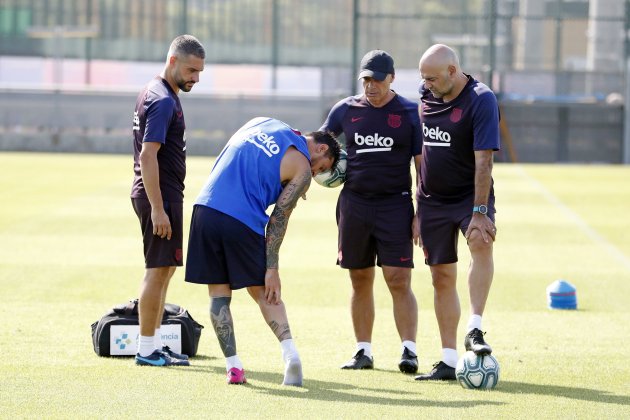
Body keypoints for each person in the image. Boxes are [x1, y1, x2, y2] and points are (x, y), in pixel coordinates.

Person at [185, 117, 341, 385]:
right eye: (321, 168)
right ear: (322, 149)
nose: (314, 173)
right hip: (242, 220)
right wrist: (272, 268)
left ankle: (233, 368)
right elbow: (278, 221)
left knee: (218, 293)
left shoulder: (261, 121)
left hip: (205, 209)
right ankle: (290, 354)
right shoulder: (303, 169)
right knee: (264, 292)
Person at [320, 50, 422, 374]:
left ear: (391, 78)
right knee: (359, 278)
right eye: (365, 79)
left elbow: (423, 168)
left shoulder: (409, 112)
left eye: (377, 80)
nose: (370, 86)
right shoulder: (345, 110)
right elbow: (320, 145)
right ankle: (363, 351)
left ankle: (409, 350)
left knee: (398, 279)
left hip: (396, 204)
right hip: (355, 205)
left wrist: (422, 212)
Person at [414, 44, 500, 381]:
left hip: (469, 197)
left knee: (481, 242)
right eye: (424, 78)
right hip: (432, 201)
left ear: (453, 71)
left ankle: (475, 328)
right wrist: (418, 208)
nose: (427, 84)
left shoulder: (481, 99)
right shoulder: (426, 94)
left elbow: (485, 161)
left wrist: (480, 212)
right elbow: (419, 155)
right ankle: (449, 361)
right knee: (440, 276)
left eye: (432, 77)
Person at [130, 34, 205, 367]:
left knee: (165, 269)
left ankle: (155, 343)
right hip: (159, 197)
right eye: (191, 70)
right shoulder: (162, 99)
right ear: (173, 60)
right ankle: (146, 349)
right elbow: (148, 155)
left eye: (199, 72)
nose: (195, 78)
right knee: (157, 271)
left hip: (164, 194)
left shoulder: (158, 91)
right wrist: (158, 208)